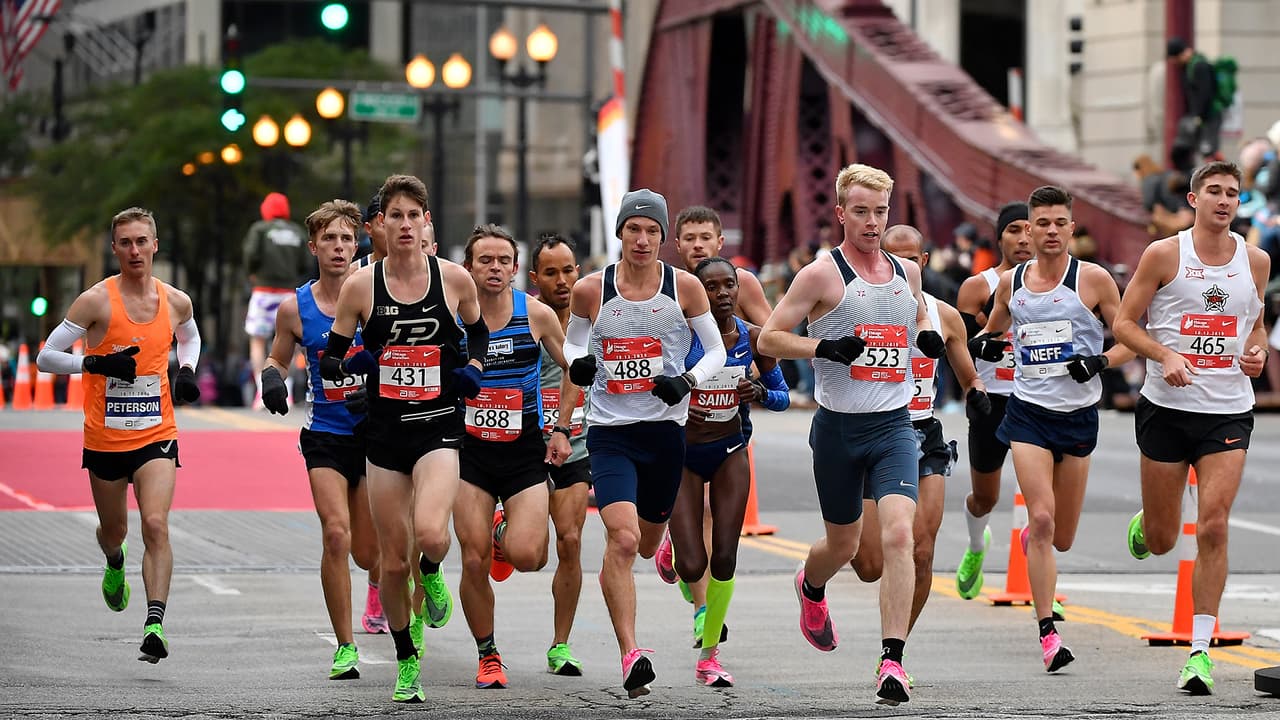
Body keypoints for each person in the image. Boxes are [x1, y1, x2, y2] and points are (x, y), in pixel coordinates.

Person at [757, 163, 945, 705]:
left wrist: (927, 340)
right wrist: (824, 348)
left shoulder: (906, 273)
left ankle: (892, 661)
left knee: (899, 537)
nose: (871, 222)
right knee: (842, 545)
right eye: (860, 211)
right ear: (840, 212)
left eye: (880, 212)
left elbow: (916, 325)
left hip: (893, 424)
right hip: (838, 428)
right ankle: (810, 585)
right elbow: (770, 338)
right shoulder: (821, 275)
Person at [546, 188, 726, 698]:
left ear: (662, 237)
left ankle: (661, 539)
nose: (642, 239)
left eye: (651, 231)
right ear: (619, 233)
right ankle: (631, 653)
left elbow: (713, 350)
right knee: (622, 540)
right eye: (633, 229)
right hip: (610, 432)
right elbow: (576, 340)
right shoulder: (591, 290)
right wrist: (579, 361)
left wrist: (686, 381)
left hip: (665, 431)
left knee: (646, 542)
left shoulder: (685, 287)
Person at [321, 174, 488, 703]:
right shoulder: (360, 286)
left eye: (415, 215)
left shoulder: (454, 278)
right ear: (380, 226)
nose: (406, 224)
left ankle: (434, 572)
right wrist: (358, 372)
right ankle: (406, 659)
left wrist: (474, 370)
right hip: (385, 435)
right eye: (396, 215)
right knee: (391, 562)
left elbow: (478, 332)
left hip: (438, 425)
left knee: (432, 535)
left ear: (427, 223)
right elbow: (331, 359)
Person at [1113, 161, 1268, 695]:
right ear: (1195, 199)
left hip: (1227, 409)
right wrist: (1165, 354)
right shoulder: (1164, 255)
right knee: (1161, 540)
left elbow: (1255, 324)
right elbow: (1124, 324)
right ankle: (1148, 522)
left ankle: (1200, 652)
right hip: (1167, 406)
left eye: (1233, 193)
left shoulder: (1256, 261)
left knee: (1214, 525)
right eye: (1215, 192)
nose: (1224, 201)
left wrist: (1256, 354)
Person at [970, 185, 1134, 674]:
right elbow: (991, 331)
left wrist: (1100, 361)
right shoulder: (1012, 283)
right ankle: (1048, 634)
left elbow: (1131, 340)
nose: (1050, 232)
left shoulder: (1095, 280)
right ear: (1030, 228)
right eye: (1040, 223)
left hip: (1079, 415)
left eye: (1060, 223)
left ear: (1071, 227)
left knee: (1061, 537)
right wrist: (980, 345)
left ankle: (1036, 548)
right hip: (1028, 413)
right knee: (1040, 519)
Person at [37, 207, 202, 663]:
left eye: (141, 241)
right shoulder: (94, 302)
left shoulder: (175, 301)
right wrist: (91, 363)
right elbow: (45, 358)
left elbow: (190, 337)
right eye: (125, 242)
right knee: (116, 530)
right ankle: (114, 560)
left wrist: (186, 371)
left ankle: (154, 623)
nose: (134, 250)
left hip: (156, 432)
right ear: (114, 249)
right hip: (105, 438)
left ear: (155, 245)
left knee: (155, 523)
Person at [258, 200, 381, 679]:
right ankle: (346, 647)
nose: (338, 248)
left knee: (368, 552)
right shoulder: (295, 307)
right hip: (326, 434)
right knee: (336, 534)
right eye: (329, 239)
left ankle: (390, 583)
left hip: (372, 436)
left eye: (347, 240)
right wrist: (271, 380)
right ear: (313, 247)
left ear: (357, 246)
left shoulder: (375, 298)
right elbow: (277, 360)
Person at [850, 225, 988, 639]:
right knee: (870, 564)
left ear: (923, 261)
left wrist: (976, 393)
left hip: (923, 433)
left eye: (911, 258)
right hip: (870, 430)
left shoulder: (943, 314)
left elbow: (968, 375)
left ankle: (893, 652)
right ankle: (816, 572)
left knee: (921, 551)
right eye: (894, 258)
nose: (903, 266)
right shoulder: (857, 307)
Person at [453, 224, 568, 689]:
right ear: (468, 267)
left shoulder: (537, 315)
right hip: (467, 452)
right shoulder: (454, 318)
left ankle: (504, 531)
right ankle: (488, 654)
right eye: (485, 260)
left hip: (523, 451)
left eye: (503, 261)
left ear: (516, 268)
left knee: (529, 556)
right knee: (474, 559)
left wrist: (560, 427)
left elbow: (572, 369)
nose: (495, 268)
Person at [668, 256, 790, 687]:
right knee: (690, 560)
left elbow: (783, 397)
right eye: (712, 287)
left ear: (739, 289)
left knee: (723, 555)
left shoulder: (754, 339)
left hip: (730, 451)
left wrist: (757, 390)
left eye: (729, 286)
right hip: (683, 455)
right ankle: (679, 560)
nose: (722, 294)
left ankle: (709, 657)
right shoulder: (680, 338)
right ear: (698, 293)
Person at [663, 204, 775, 624]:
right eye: (689, 239)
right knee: (690, 515)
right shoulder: (668, 286)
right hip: (677, 420)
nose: (697, 245)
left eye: (704, 238)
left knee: (716, 515)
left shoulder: (740, 283)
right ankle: (692, 583)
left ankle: (704, 609)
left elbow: (771, 333)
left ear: (719, 241)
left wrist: (760, 371)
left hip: (730, 413)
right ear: (677, 245)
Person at [954, 202, 1033, 599]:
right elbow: (959, 347)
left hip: (1037, 399)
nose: (1024, 238)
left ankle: (1041, 578)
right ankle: (975, 545)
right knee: (986, 497)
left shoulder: (1062, 286)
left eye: (1030, 229)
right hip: (992, 401)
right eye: (1014, 230)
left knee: (1042, 503)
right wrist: (979, 353)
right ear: (1000, 237)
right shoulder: (978, 286)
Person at [529, 232, 591, 676]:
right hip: (523, 448)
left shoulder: (596, 319)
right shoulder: (524, 320)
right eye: (551, 272)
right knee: (529, 551)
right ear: (536, 278)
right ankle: (502, 532)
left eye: (568, 269)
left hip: (578, 445)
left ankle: (560, 644)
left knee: (570, 541)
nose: (562, 279)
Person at [243, 192, 311, 409]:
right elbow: (306, 262)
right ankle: (287, 392)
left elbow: (250, 255)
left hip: (263, 291)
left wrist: (253, 274)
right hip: (289, 294)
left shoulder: (260, 229)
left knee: (257, 341)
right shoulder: (297, 232)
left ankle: (261, 391)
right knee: (289, 343)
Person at [1168, 37, 1223, 161]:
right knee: (1205, 150)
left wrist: (1199, 115)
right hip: (1202, 116)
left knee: (1208, 150)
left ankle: (1221, 174)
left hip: (1208, 116)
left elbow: (1205, 92)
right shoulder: (1190, 67)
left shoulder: (1199, 66)